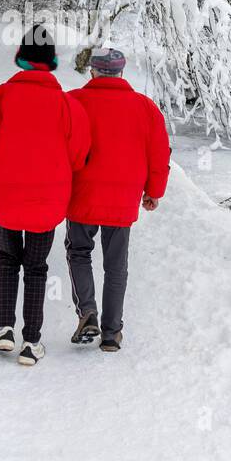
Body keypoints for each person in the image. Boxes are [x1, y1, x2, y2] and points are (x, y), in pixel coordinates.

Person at [0, 25, 90, 366]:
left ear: (20, 57)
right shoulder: (68, 106)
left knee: (7, 258)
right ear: (51, 62)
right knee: (36, 267)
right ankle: (31, 343)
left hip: (5, 198)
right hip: (47, 203)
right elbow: (80, 156)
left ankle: (5, 328)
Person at [65, 48, 170, 352]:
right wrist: (154, 191)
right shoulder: (144, 107)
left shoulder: (74, 101)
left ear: (93, 72)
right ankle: (112, 333)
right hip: (123, 198)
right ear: (122, 73)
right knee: (116, 265)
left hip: (82, 193)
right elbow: (159, 153)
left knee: (79, 252)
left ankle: (87, 312)